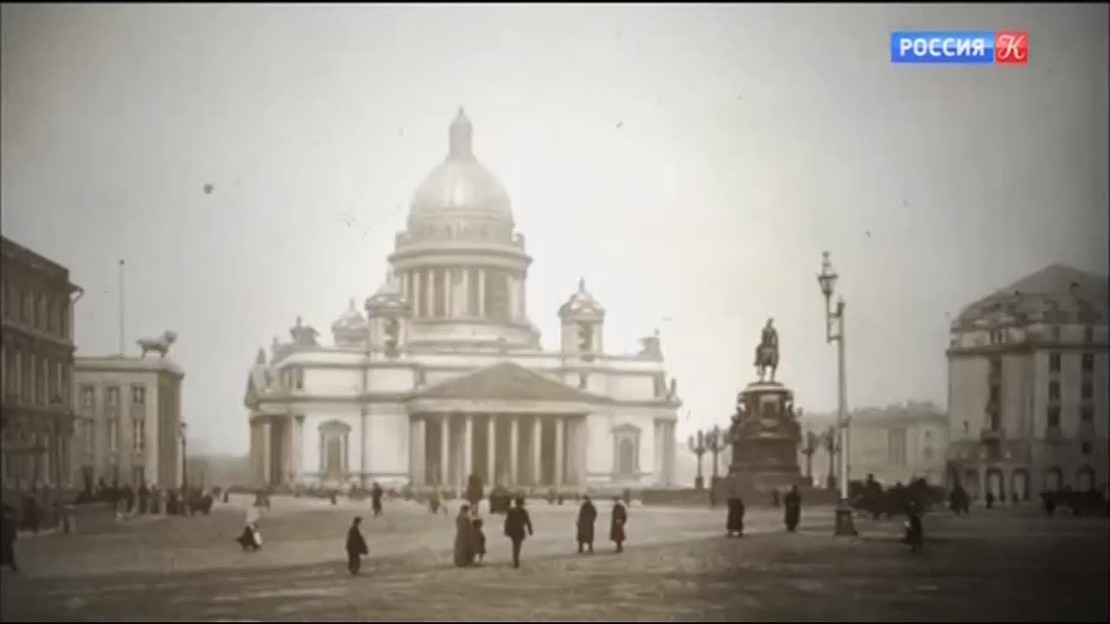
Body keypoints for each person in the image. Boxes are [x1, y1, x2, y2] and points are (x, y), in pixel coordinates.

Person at [503, 498, 533, 568]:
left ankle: (516, 560)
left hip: (515, 531)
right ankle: (516, 561)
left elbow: (507, 522)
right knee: (517, 546)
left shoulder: (512, 511)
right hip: (517, 531)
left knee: (516, 546)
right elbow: (527, 521)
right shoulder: (523, 512)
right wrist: (530, 530)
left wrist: (506, 530)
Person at [1, 503, 17, 573]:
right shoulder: (7, 511)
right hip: (5, 535)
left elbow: (11, 525)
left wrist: (13, 534)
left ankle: (10, 563)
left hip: (6, 535)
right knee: (7, 548)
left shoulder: (6, 511)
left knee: (7, 548)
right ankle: (10, 563)